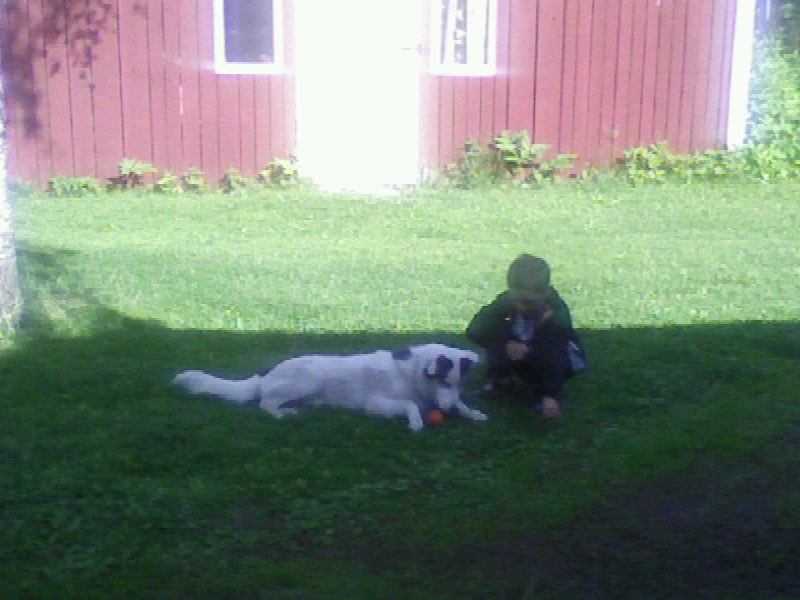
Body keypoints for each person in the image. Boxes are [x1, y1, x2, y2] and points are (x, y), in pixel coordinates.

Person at [465, 254, 585, 419]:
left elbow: (556, 355)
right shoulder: (508, 300)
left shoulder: (557, 315)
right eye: (517, 300)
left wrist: (550, 395)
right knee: (494, 328)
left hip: (561, 357)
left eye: (529, 302)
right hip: (524, 345)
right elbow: (475, 329)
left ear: (546, 293)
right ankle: (501, 380)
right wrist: (505, 343)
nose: (521, 307)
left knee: (550, 353)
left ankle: (550, 394)